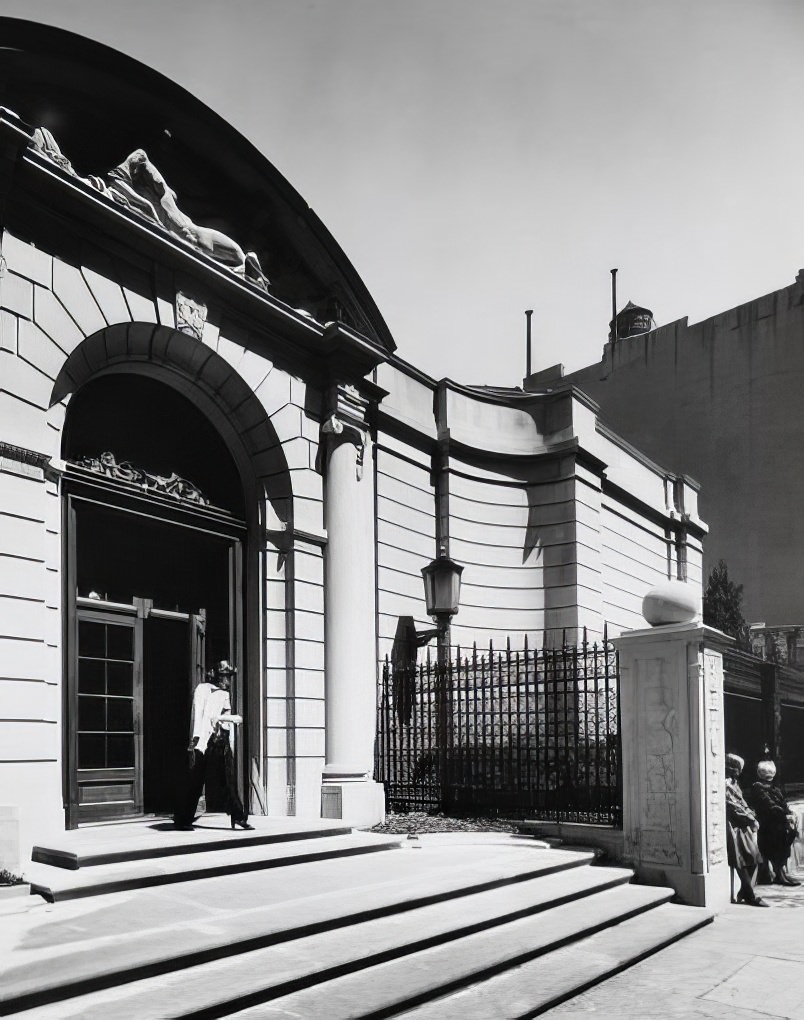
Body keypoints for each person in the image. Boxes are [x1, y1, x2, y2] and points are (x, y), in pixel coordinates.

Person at [173, 660, 254, 831]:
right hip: (203, 740)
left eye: (229, 677)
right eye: (225, 676)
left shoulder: (224, 694)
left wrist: (229, 740)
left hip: (220, 740)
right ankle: (183, 818)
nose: (228, 680)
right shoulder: (203, 690)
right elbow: (200, 716)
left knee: (229, 779)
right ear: (216, 675)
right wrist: (194, 742)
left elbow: (225, 718)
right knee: (195, 780)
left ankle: (238, 816)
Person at [725, 753, 768, 906]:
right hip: (734, 825)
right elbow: (733, 806)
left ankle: (744, 891)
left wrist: (751, 815)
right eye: (737, 769)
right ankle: (750, 895)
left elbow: (742, 802)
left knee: (755, 857)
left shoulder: (734, 782)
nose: (739, 772)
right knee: (742, 860)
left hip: (743, 823)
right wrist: (750, 818)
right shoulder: (726, 784)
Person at [750, 760, 800, 886]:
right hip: (768, 824)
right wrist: (785, 814)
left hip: (779, 822)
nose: (769, 777)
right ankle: (779, 874)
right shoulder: (757, 787)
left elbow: (782, 804)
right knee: (774, 845)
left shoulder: (775, 788)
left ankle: (781, 872)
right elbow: (769, 806)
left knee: (785, 842)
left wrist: (789, 813)